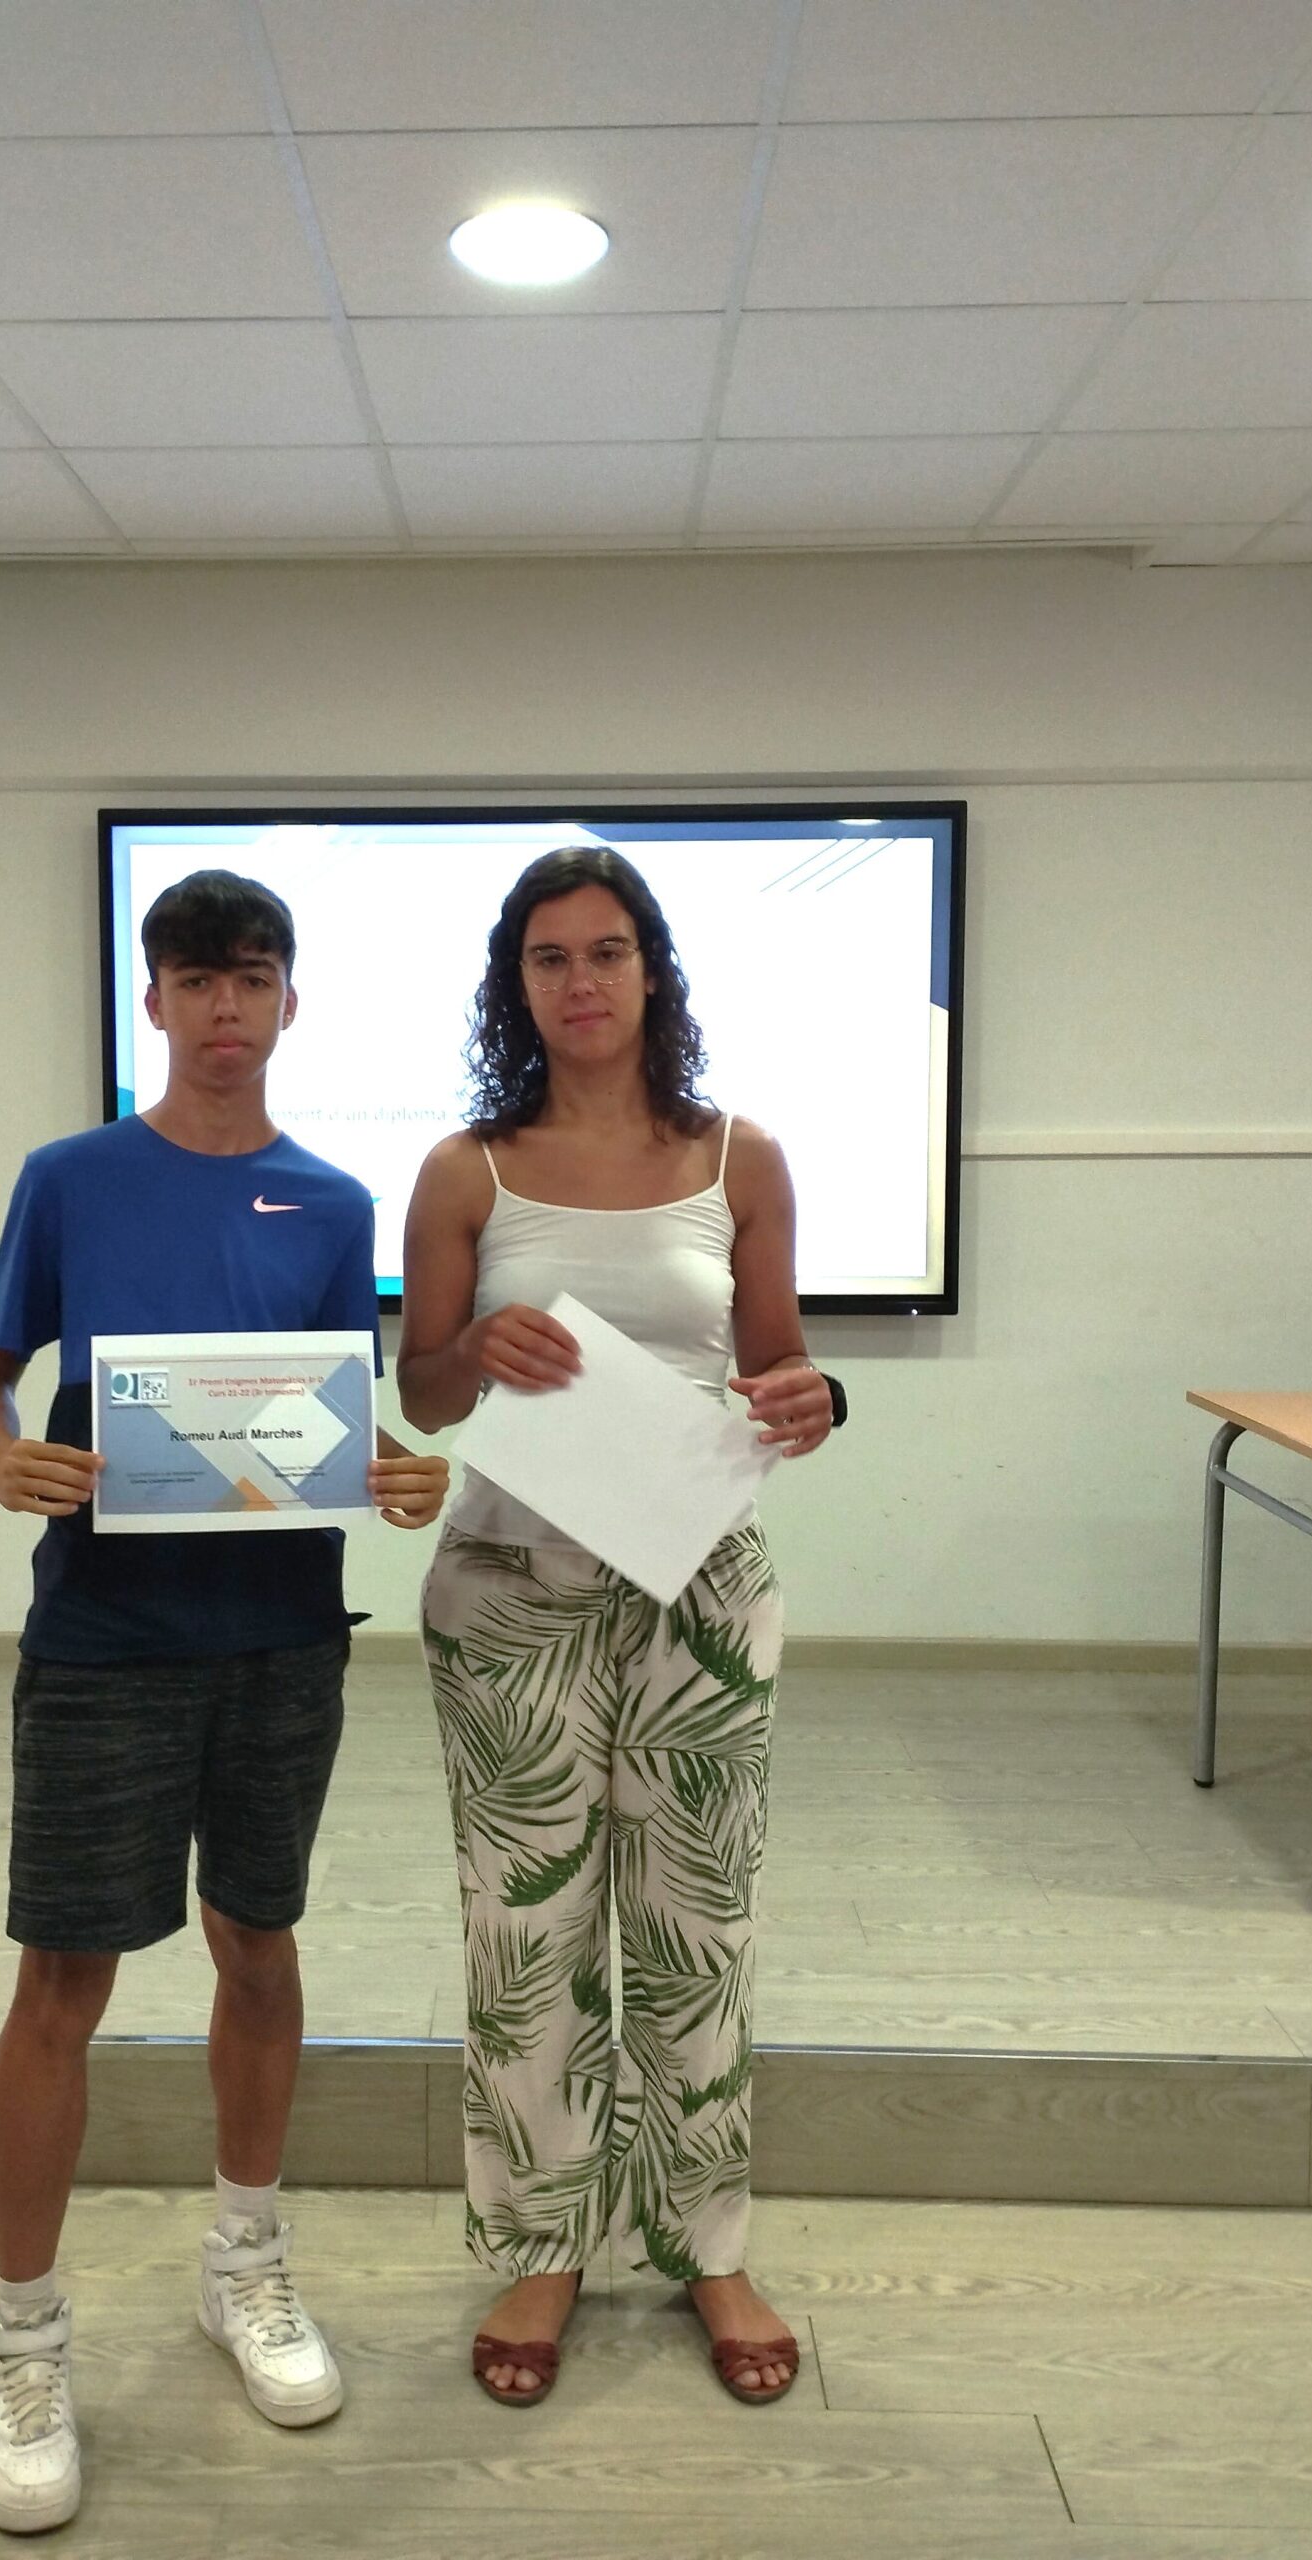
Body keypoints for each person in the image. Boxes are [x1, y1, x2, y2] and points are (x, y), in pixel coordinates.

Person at [0, 869, 447, 2533]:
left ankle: (246, 2260)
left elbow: (325, 1417)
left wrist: (396, 1474)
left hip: (281, 1637)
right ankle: (23, 2339)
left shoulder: (335, 1202)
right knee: (61, 1982)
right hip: (104, 1634)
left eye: (253, 977)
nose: (226, 1008)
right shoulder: (69, 1179)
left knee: (260, 1943)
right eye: (195, 979)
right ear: (153, 1000)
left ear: (290, 1001)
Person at [397, 844, 833, 2408]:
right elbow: (422, 1392)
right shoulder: (466, 1171)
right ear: (514, 986)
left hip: (698, 1589)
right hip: (510, 1592)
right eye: (549, 958)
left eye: (606, 952)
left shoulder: (740, 1159)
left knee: (697, 1931)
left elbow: (780, 1371)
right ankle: (545, 2245)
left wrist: (816, 1400)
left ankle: (708, 2246)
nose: (580, 982)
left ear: (652, 971)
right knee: (528, 1938)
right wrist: (475, 1351)